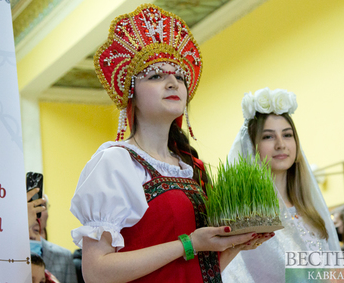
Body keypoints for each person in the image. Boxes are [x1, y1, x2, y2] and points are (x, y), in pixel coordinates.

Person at [70, 4, 273, 283]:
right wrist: (189, 244)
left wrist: (236, 244)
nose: (172, 82)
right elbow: (96, 272)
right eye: (156, 75)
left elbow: (196, 271)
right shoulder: (116, 162)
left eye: (179, 76)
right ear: (132, 94)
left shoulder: (191, 168)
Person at [222, 88, 341, 282]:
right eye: (268, 136)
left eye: (287, 135)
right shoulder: (247, 216)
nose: (281, 144)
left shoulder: (309, 209)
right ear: (252, 147)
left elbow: (337, 272)